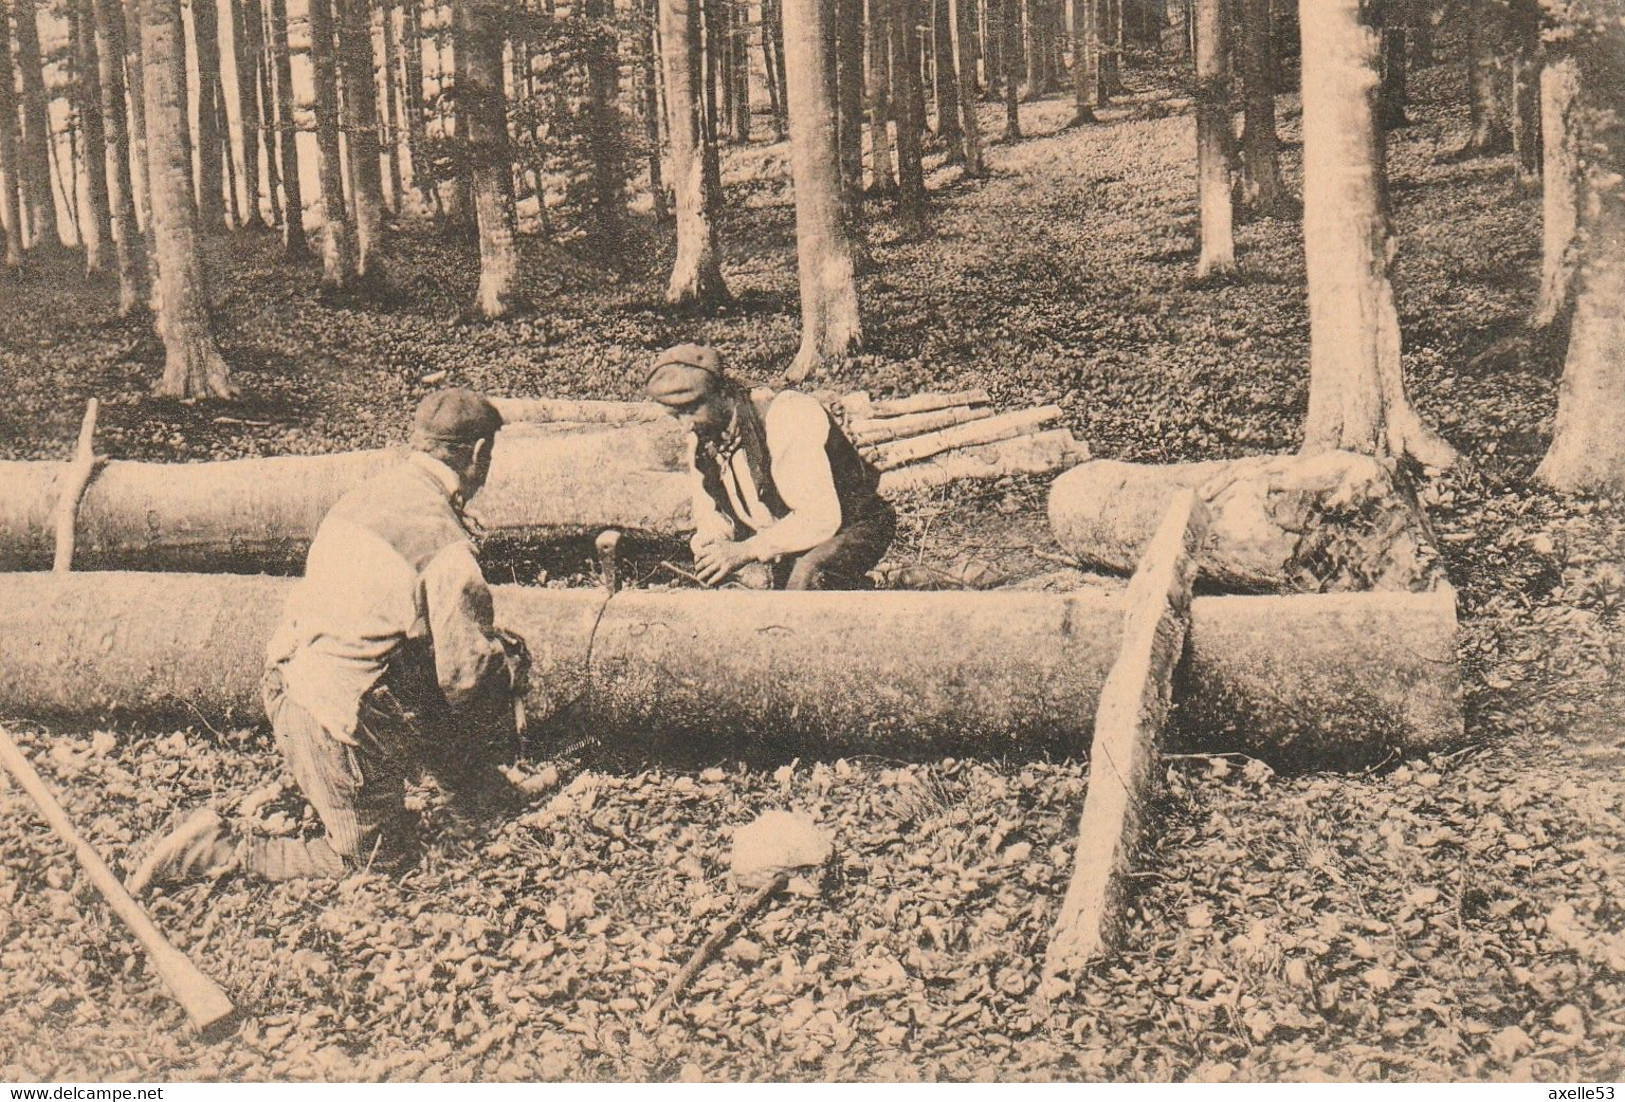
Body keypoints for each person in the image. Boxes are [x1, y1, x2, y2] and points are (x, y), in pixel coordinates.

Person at [127, 389, 529, 893]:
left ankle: (475, 791)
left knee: (415, 659)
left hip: (290, 687)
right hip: (336, 724)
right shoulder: (446, 550)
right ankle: (219, 850)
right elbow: (463, 678)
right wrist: (507, 677)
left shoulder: (369, 495)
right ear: (477, 454)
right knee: (377, 861)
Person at [645, 344, 895, 591]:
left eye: (691, 410)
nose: (685, 425)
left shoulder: (786, 416)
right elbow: (712, 515)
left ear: (722, 393)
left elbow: (820, 517)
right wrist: (716, 548)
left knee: (806, 581)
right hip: (789, 535)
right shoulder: (702, 441)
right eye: (676, 416)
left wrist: (746, 550)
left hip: (852, 524)